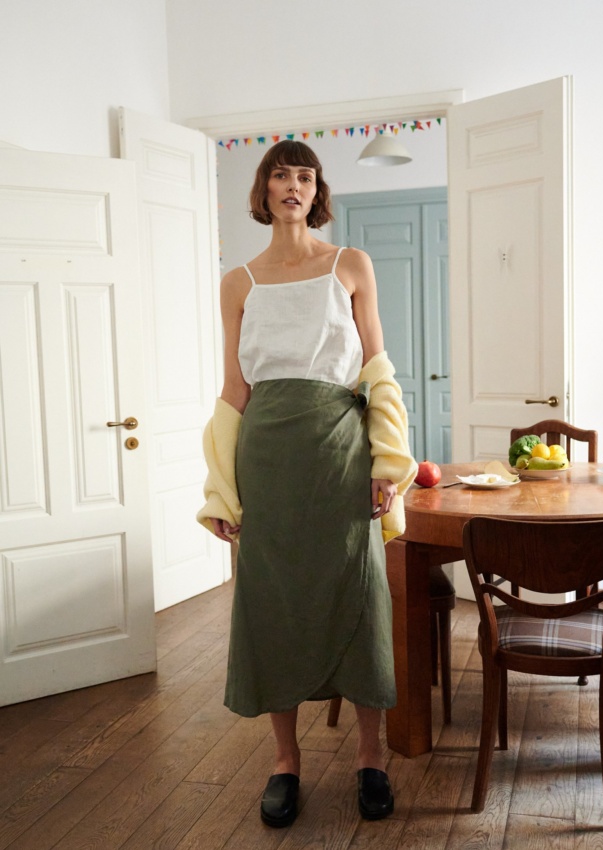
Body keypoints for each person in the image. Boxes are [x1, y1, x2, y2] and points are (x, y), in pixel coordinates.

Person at [197, 140, 417, 828]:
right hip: (267, 456)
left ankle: (371, 756)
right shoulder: (239, 282)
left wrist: (387, 461)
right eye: (279, 175)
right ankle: (285, 761)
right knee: (274, 603)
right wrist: (220, 490)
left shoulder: (349, 264)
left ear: (316, 190)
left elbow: (376, 366)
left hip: (339, 453)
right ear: (261, 191)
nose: (292, 185)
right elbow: (234, 391)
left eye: (304, 175)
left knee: (361, 593)